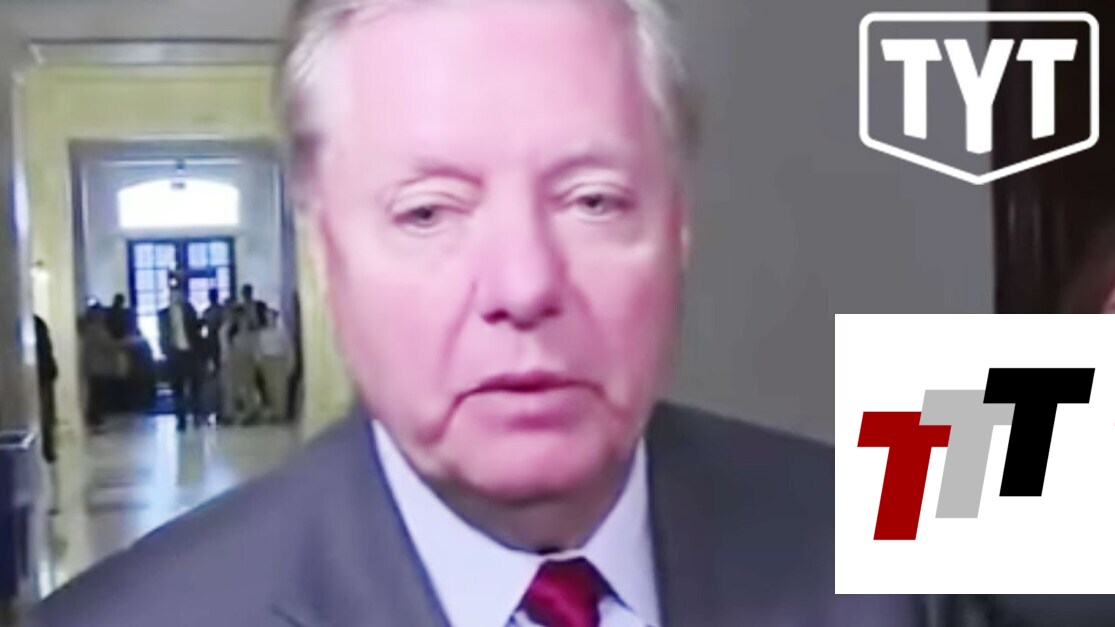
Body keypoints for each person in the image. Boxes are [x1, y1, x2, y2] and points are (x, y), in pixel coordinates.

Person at [34, 1, 1038, 625]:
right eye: (428, 212)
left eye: (592, 200)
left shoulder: (900, 530)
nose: (522, 284)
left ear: (678, 228)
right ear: (325, 254)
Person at [158, 284, 204, 431]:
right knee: (177, 387)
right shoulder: (163, 314)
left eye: (179, 294)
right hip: (174, 355)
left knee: (195, 385)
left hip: (190, 352)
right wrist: (166, 350)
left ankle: (197, 415)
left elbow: (197, 329)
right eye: (173, 295)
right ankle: (181, 419)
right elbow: (162, 334)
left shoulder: (189, 311)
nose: (176, 297)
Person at [255, 305, 294, 423]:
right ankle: (275, 412)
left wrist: (290, 361)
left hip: (279, 360)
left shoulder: (281, 333)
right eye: (268, 317)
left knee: (281, 388)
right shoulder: (262, 333)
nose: (270, 319)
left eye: (271, 317)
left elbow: (288, 348)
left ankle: (282, 413)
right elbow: (259, 349)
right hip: (267, 361)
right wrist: (259, 362)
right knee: (271, 388)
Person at [34, 315, 59, 465]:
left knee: (44, 413)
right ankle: (48, 448)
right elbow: (47, 350)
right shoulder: (38, 324)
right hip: (45, 373)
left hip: (39, 373)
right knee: (46, 412)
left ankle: (46, 447)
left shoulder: (33, 324)